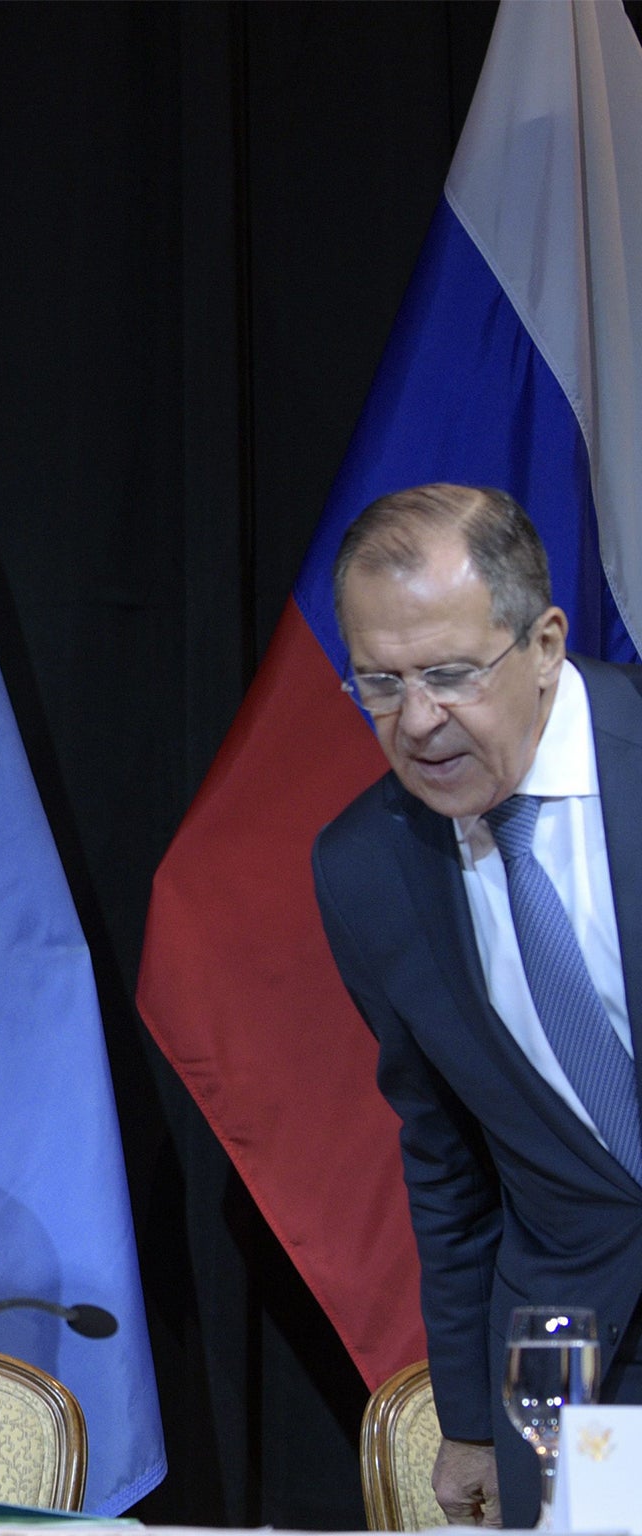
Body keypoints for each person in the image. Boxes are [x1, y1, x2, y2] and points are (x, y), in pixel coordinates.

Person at [314, 484, 642, 1527]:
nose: (415, 721)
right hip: (574, 1370)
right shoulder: (364, 868)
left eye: (448, 675)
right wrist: (464, 1415)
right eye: (377, 683)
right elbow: (445, 1156)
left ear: (542, 643)